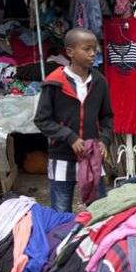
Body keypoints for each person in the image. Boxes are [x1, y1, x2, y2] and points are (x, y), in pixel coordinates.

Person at [34, 28, 114, 213]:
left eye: (95, 49)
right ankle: (63, 241)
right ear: (70, 52)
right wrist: (69, 137)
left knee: (99, 210)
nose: (93, 53)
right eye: (87, 49)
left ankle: (95, 241)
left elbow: (107, 116)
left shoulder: (99, 81)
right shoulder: (54, 82)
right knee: (61, 211)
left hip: (92, 155)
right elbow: (42, 120)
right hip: (61, 156)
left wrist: (105, 140)